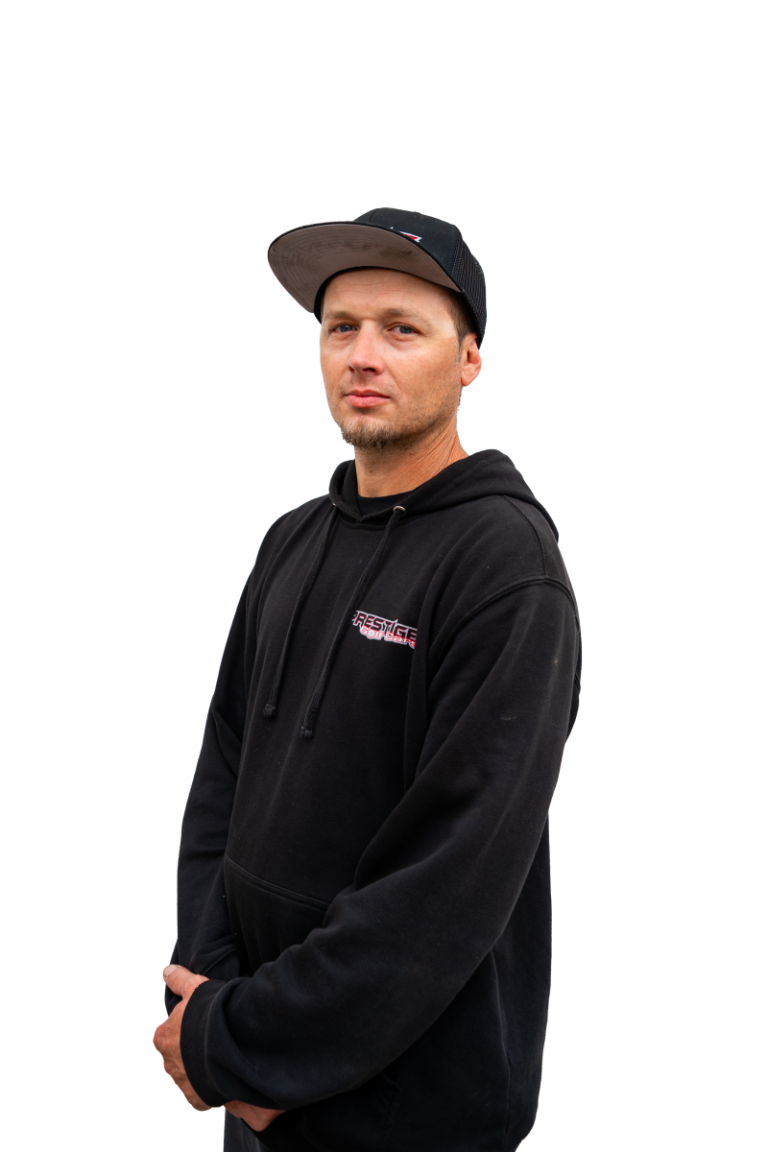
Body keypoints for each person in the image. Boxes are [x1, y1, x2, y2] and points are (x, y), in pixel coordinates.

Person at [152, 207, 582, 1152]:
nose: (363, 356)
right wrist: (215, 1002)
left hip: (408, 1109)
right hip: (258, 1081)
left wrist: (258, 1042)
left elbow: (448, 878)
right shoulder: (290, 538)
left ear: (469, 359)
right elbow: (221, 777)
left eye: (402, 329)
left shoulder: (506, 568)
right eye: (340, 327)